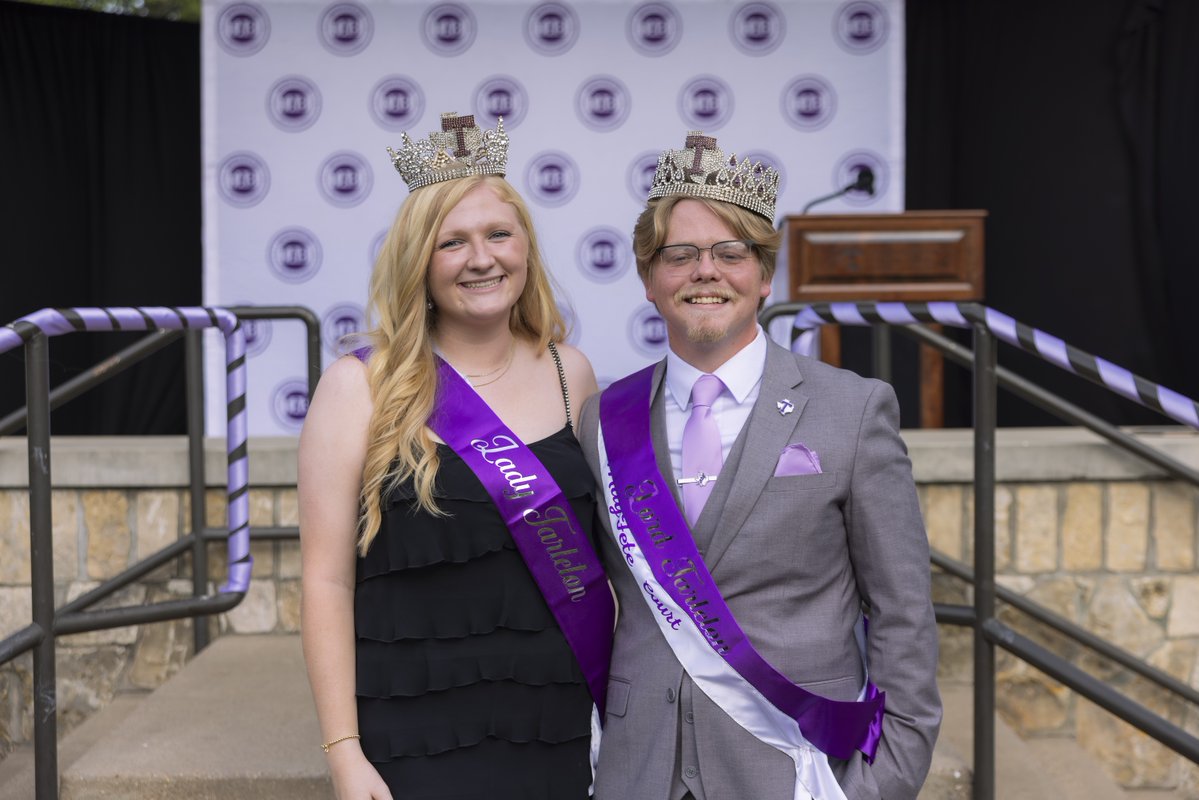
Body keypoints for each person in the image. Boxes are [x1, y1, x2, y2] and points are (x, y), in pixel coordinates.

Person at [578, 132, 941, 800]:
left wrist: (884, 782)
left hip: (793, 770)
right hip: (637, 771)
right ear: (649, 279)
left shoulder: (851, 411)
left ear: (764, 275)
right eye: (679, 255)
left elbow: (902, 615)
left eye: (729, 253)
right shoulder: (602, 420)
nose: (704, 271)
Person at [299, 112, 614, 800]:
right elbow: (326, 583)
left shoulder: (572, 374)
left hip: (551, 721)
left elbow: (599, 561)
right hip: (413, 730)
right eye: (453, 243)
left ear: (525, 248)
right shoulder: (358, 388)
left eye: (499, 234)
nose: (482, 258)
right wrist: (343, 755)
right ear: (419, 259)